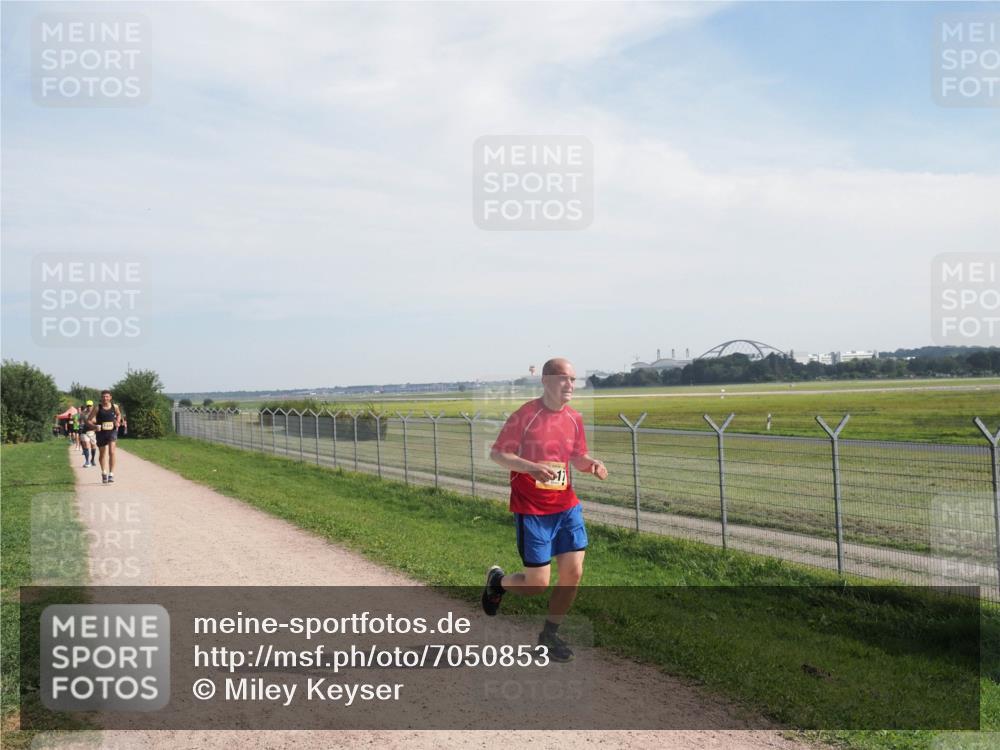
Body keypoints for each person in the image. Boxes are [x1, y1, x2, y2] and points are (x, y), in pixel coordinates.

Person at [482, 357, 608, 662]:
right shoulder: (525, 415)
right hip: (532, 510)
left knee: (573, 572)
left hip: (566, 507)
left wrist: (590, 464)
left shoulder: (574, 418)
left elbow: (576, 456)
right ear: (546, 380)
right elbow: (499, 454)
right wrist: (530, 468)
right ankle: (498, 582)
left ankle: (549, 636)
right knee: (537, 585)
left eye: (574, 380)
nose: (570, 385)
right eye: (564, 378)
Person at [86, 390, 123, 484]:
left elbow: (119, 414)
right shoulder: (97, 408)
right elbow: (88, 420)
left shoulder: (115, 407)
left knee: (112, 452)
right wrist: (94, 426)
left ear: (110, 397)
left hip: (112, 431)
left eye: (107, 396)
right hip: (101, 433)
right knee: (102, 454)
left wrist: (118, 421)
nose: (105, 398)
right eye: (103, 396)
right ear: (101, 398)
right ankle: (104, 472)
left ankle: (111, 474)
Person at [80, 400, 97, 468]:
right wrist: (81, 424)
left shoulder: (95, 413)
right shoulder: (83, 413)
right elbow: (80, 421)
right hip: (84, 431)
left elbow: (98, 421)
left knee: (93, 446)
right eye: (88, 406)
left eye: (90, 405)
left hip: (92, 432)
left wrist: (93, 422)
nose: (89, 407)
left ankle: (92, 459)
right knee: (86, 445)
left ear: (93, 406)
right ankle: (87, 461)